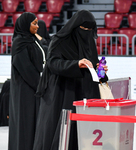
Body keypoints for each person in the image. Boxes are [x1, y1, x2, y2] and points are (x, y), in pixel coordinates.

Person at [33, 9, 108, 150]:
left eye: (90, 29)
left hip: (85, 92)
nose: (87, 32)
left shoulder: (89, 41)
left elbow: (93, 66)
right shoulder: (59, 40)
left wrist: (101, 71)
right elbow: (53, 63)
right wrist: (76, 64)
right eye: (84, 29)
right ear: (75, 26)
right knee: (62, 133)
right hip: (62, 92)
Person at [8, 12, 47, 150]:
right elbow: (25, 68)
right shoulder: (19, 42)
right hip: (24, 90)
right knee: (24, 124)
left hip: (33, 87)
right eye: (34, 23)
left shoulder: (32, 40)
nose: (37, 26)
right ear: (26, 24)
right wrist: (41, 85)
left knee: (33, 123)